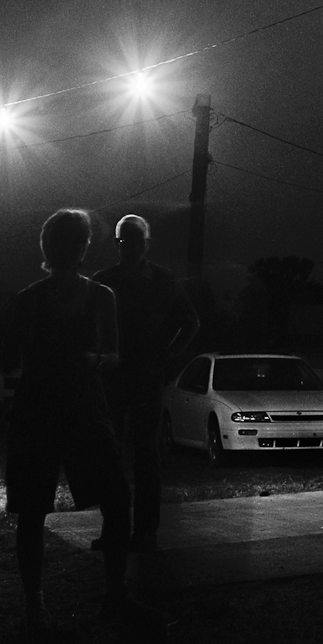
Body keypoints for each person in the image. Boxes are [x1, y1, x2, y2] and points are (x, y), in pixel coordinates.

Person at [0, 208, 138, 635]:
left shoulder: (98, 297)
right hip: (52, 411)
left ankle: (107, 597)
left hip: (74, 409)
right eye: (72, 242)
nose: (74, 249)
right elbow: (3, 358)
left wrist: (93, 359)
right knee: (36, 511)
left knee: (112, 500)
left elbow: (114, 355)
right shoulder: (30, 298)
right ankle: (41, 605)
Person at [93, 214, 200, 551]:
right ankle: (118, 529)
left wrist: (167, 359)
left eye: (137, 242)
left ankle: (143, 531)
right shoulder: (105, 281)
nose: (132, 248)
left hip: (143, 378)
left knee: (144, 455)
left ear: (146, 245)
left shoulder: (159, 280)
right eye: (126, 242)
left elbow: (191, 322)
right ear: (117, 243)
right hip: (117, 377)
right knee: (115, 456)